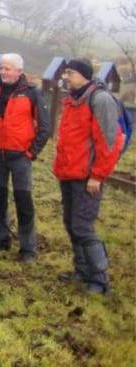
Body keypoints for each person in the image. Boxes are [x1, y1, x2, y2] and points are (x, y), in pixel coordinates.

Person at [53, 58, 124, 295]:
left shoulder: (100, 100)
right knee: (71, 224)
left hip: (87, 177)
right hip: (68, 172)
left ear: (83, 74)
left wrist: (98, 175)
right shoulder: (73, 99)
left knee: (83, 227)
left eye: (70, 72)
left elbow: (109, 142)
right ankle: (81, 271)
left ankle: (99, 279)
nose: (65, 76)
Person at [0, 53, 50, 261]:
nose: (3, 72)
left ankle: (28, 248)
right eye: (1, 68)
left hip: (20, 156)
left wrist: (31, 152)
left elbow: (45, 128)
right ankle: (2, 240)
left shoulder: (32, 93)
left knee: (23, 200)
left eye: (8, 69)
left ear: (19, 71)